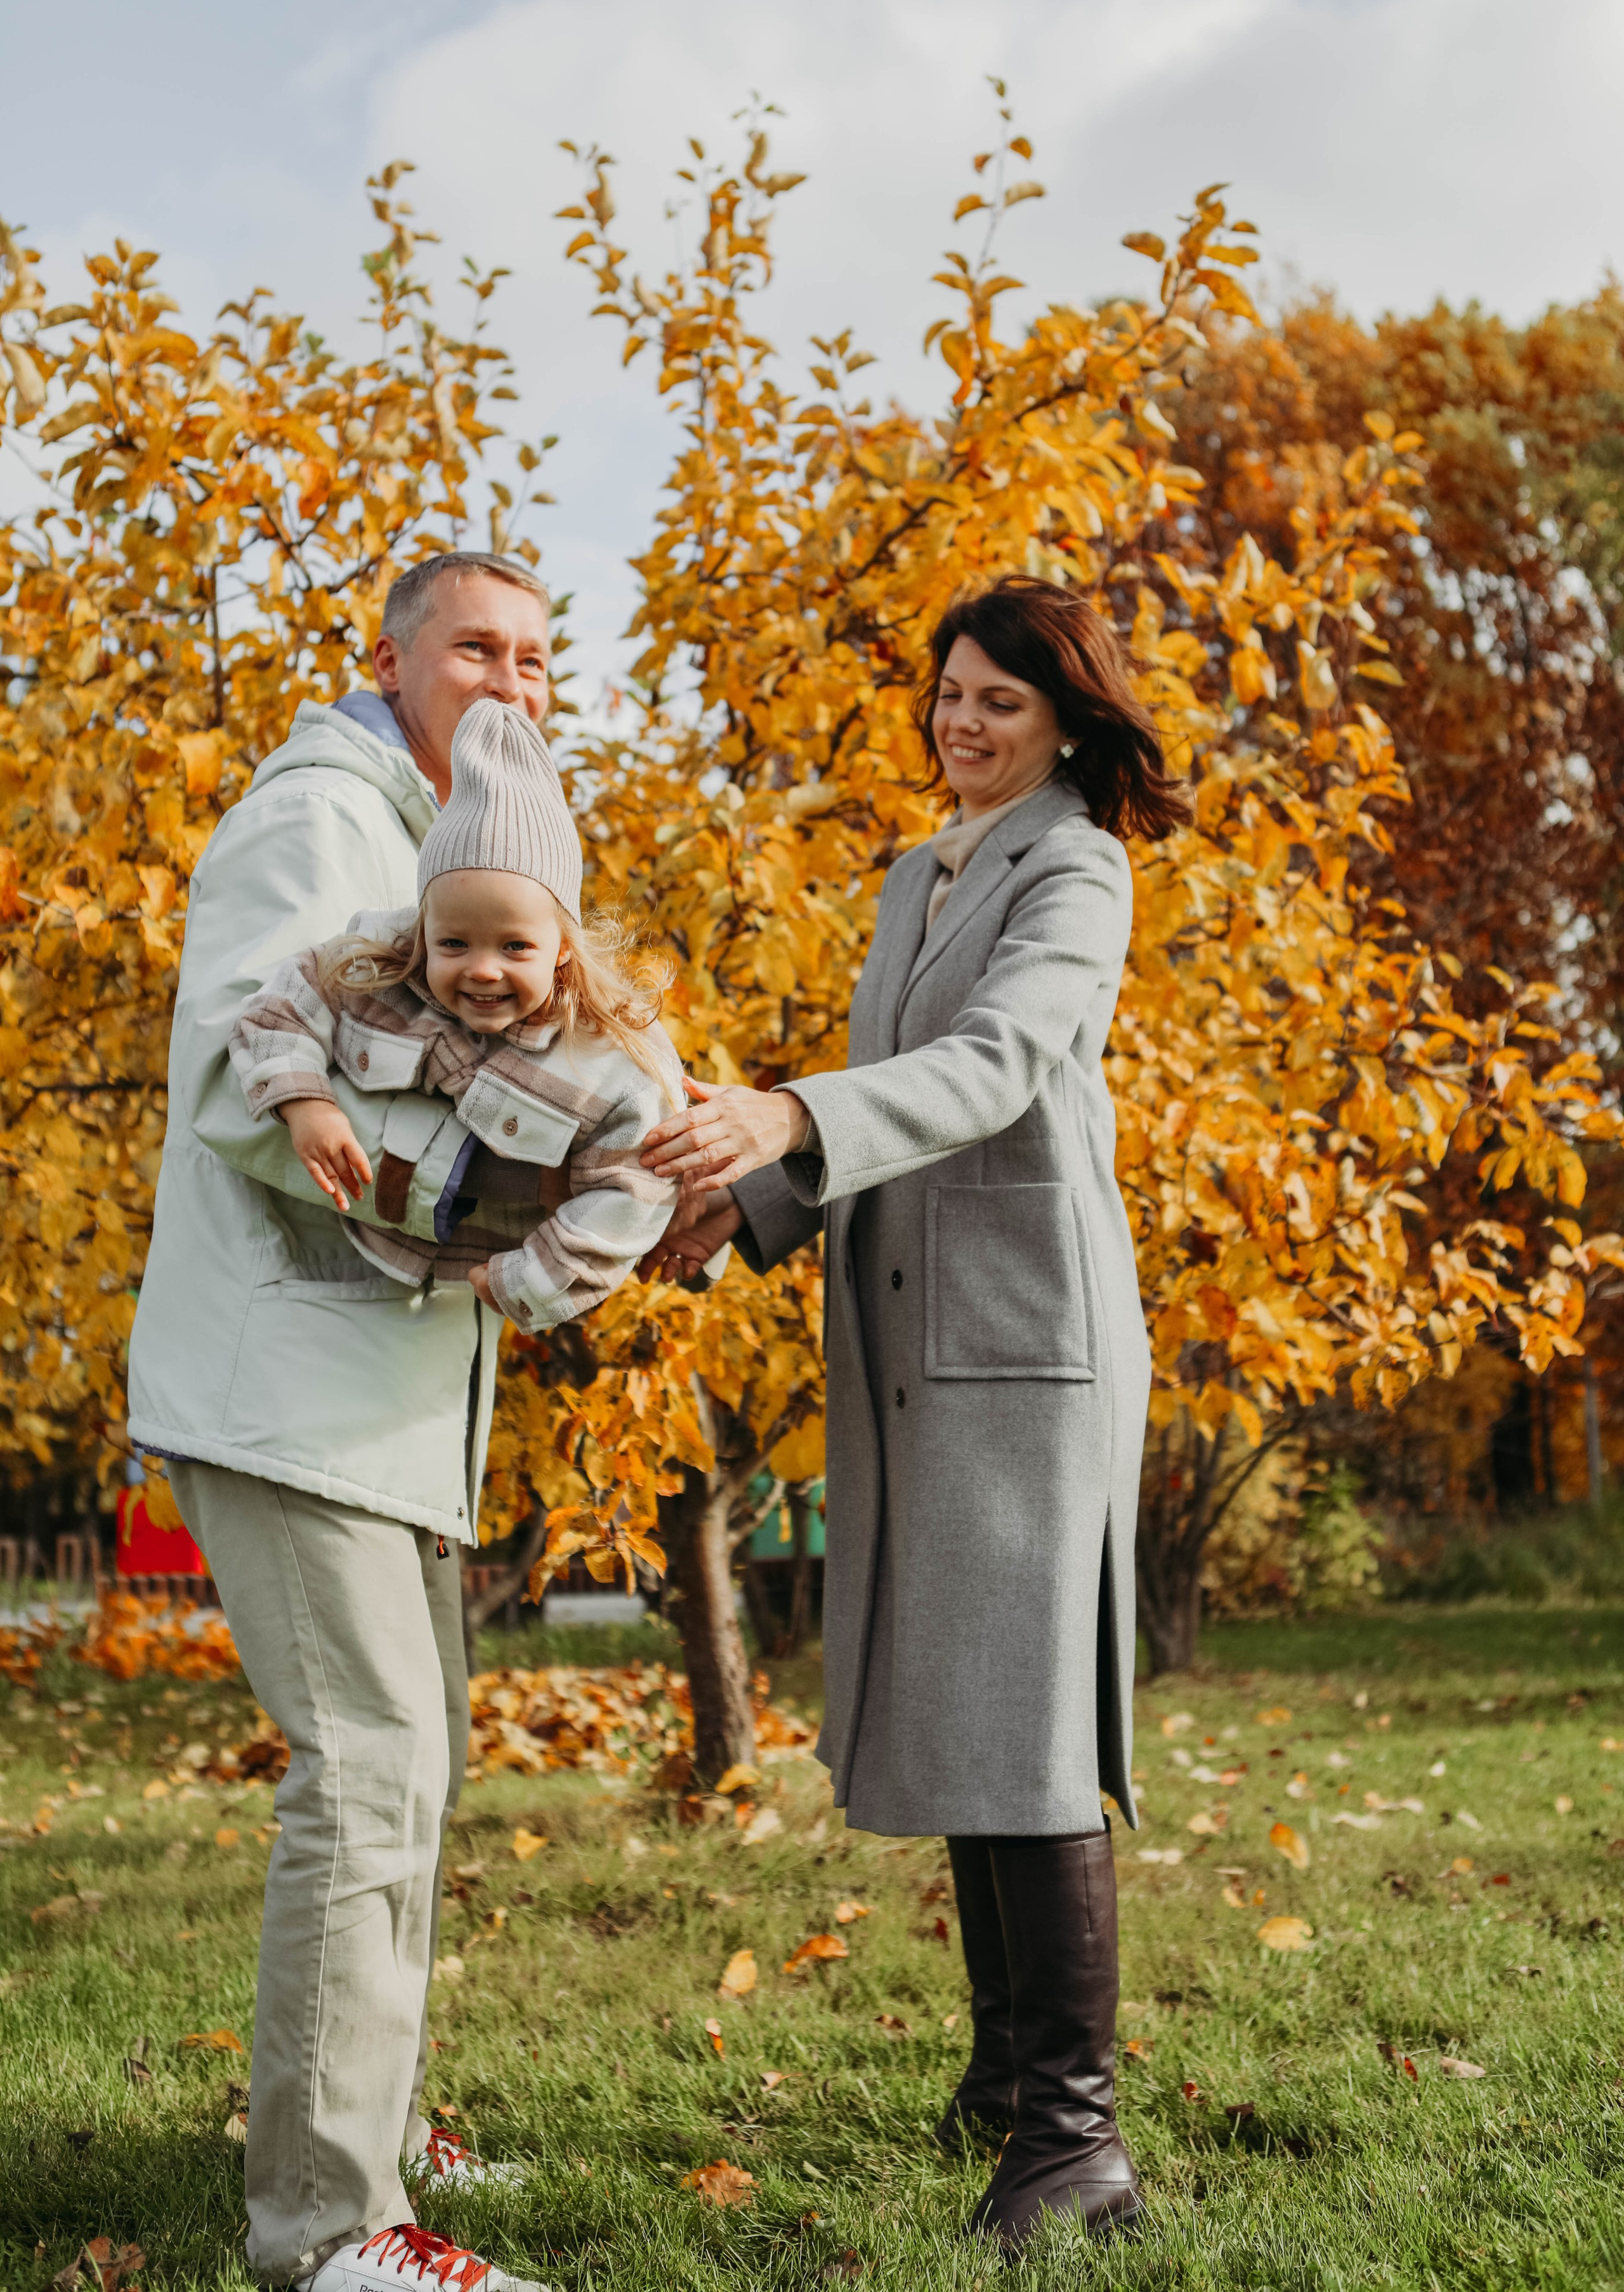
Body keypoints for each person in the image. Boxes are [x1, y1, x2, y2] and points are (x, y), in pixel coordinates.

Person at [639, 575, 1191, 2247]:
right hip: (916, 1340)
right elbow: (897, 1120)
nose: (962, 723)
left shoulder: (1077, 869)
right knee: (969, 1706)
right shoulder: (918, 875)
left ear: (1068, 724)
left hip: (1026, 1348)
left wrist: (782, 1114)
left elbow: (1000, 1070)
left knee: (1026, 1728)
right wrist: (747, 1210)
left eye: (999, 704)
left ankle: (1079, 2142)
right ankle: (1009, 2081)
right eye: (950, 694)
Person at [128, 554, 565, 2292]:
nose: (512, 680)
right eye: (477, 647)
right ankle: (332, 2230)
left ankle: (371, 2128)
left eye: (539, 657)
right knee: (369, 1771)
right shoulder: (323, 818)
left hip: (377, 1401)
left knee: (410, 1773)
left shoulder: (459, 844)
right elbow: (246, 1064)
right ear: (387, 658)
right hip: (291, 1384)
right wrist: (472, 1199)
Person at [228, 697, 681, 1333]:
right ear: (422, 932)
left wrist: (529, 1283)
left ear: (563, 949)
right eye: (454, 944)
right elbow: (274, 1011)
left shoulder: (606, 1056)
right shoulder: (380, 974)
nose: (483, 969)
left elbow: (635, 1188)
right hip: (360, 1261)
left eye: (515, 946)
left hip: (472, 1304)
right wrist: (307, 1103)